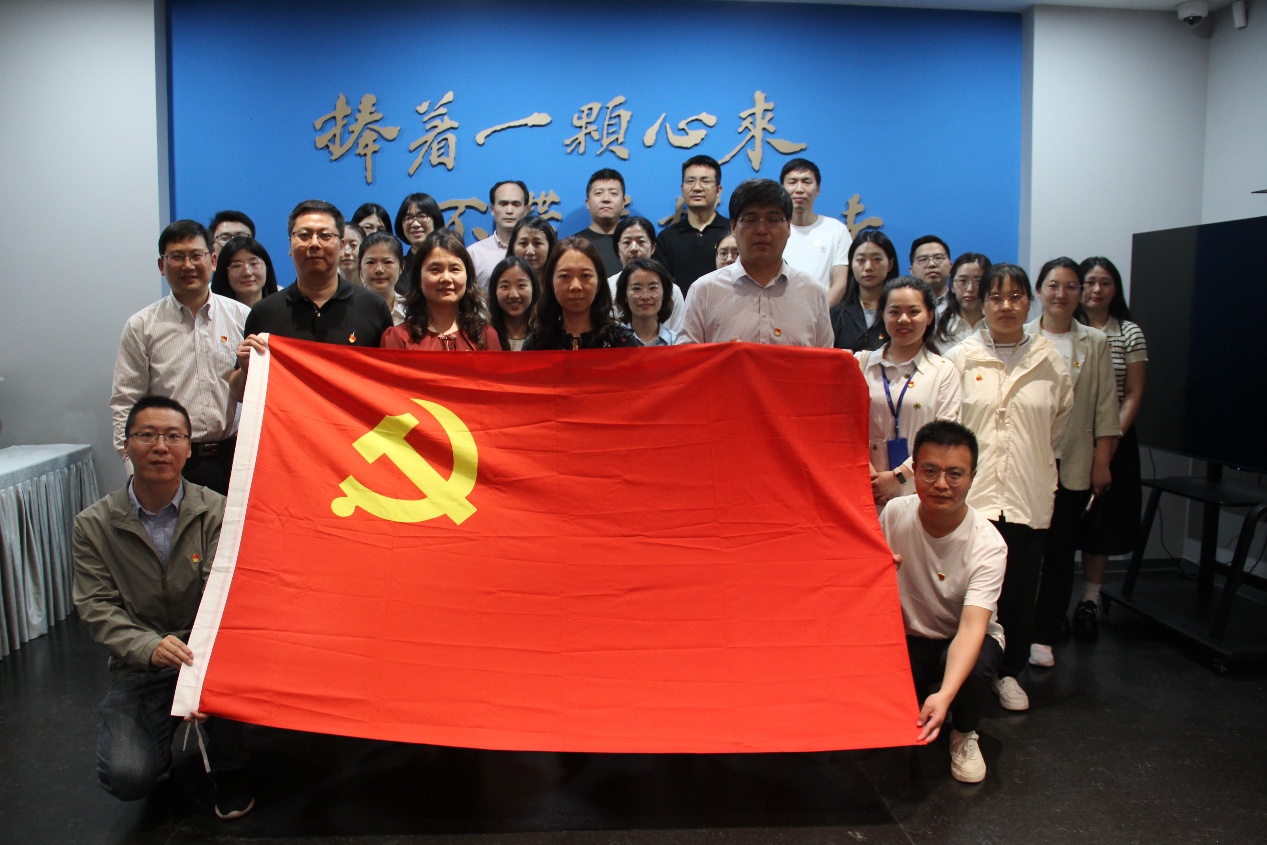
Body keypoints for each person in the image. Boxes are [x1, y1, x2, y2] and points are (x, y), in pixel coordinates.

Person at [73, 396, 253, 818]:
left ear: (189, 448)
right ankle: (159, 752)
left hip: (207, 659)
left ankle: (230, 768)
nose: (160, 447)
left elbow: (222, 592)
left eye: (174, 436)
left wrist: (201, 662)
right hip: (141, 666)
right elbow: (97, 606)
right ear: (126, 445)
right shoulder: (93, 525)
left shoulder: (218, 511)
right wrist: (148, 647)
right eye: (147, 435)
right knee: (128, 775)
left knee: (238, 693)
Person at [947, 263, 1073, 713]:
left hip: (1026, 492)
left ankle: (1007, 674)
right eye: (996, 297)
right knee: (968, 591)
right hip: (973, 498)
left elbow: (1056, 426)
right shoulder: (961, 358)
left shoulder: (1049, 360)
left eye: (1016, 297)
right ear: (981, 303)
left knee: (1018, 592)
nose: (1006, 306)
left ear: (1029, 303)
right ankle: (961, 675)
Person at [881, 420, 1007, 784]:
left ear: (972, 477)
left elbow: (971, 629)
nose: (940, 484)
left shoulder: (988, 544)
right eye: (930, 471)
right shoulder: (895, 513)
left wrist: (946, 695)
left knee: (977, 668)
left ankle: (964, 733)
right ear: (915, 471)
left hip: (961, 637)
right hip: (911, 636)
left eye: (954, 473)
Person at [1026, 258, 1120, 669]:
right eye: (1053, 285)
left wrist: (1103, 460)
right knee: (1022, 552)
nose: (1061, 294)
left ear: (1079, 293)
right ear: (1039, 291)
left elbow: (1106, 408)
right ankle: (1012, 629)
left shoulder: (1095, 342)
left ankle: (1044, 634)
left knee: (1061, 553)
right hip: (1029, 461)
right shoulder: (1022, 336)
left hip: (1074, 462)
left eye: (1070, 286)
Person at [111, 220, 251, 495]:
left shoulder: (242, 317)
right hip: (169, 460)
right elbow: (126, 402)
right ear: (162, 266)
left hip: (234, 457)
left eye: (196, 255)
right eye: (177, 257)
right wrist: (134, 467)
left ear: (213, 260)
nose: (188, 265)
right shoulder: (142, 326)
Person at [231, 200, 393, 400]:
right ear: (290, 245)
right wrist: (246, 368)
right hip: (288, 419)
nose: (314, 243)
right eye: (304, 235)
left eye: (325, 236)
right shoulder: (264, 312)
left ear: (342, 246)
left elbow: (391, 384)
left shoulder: (373, 308)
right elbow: (238, 394)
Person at [1076, 256, 1148, 640]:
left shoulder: (1128, 332)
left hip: (1115, 439)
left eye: (1104, 282)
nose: (1096, 289)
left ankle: (1090, 599)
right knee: (1063, 524)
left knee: (1100, 526)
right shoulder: (1065, 327)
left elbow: (1133, 393)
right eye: (1089, 282)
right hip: (1069, 439)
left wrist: (1110, 441)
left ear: (1115, 288)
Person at [675, 178, 832, 347]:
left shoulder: (813, 292)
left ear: (788, 227)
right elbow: (686, 359)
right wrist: (723, 356)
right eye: (750, 220)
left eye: (773, 220)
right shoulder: (704, 291)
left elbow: (825, 360)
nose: (762, 230)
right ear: (733, 227)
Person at [858, 277, 962, 510]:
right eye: (894, 312)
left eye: (914, 311)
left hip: (918, 493)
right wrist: (870, 474)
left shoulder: (943, 372)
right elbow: (843, 427)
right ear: (882, 314)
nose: (904, 319)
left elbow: (945, 437)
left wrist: (897, 477)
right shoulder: (861, 364)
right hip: (864, 489)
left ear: (930, 315)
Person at [380, 230, 499, 351]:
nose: (446, 278)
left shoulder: (485, 336)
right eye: (435, 269)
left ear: (468, 278)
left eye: (455, 269)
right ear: (418, 279)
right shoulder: (398, 338)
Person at [524, 236, 640, 350]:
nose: (575, 286)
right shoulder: (536, 344)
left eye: (585, 276)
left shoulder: (621, 342)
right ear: (551, 283)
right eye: (565, 276)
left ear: (598, 283)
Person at [654, 155, 729, 295]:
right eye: (690, 181)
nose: (697, 188)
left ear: (718, 190)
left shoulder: (732, 233)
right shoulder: (667, 238)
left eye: (705, 181)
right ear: (682, 189)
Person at [779, 158, 851, 305]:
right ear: (782, 189)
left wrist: (818, 313)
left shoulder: (836, 230)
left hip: (823, 313)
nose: (799, 189)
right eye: (792, 182)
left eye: (806, 182)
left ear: (817, 189)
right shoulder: (772, 230)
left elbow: (840, 284)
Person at [608, 216, 685, 332]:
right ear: (617, 249)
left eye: (641, 242)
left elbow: (679, 336)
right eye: (627, 242)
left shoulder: (672, 291)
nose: (634, 248)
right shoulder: (607, 288)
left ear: (653, 247)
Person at [830, 228, 898, 352]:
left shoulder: (900, 313)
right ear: (851, 264)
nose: (868, 267)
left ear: (890, 264)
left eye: (877, 259)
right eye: (861, 260)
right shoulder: (836, 314)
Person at [470, 180, 530, 286]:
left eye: (516, 204)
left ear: (526, 210)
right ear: (492, 209)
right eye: (503, 204)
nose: (509, 210)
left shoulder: (537, 252)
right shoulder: (475, 254)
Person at [569, 168, 625, 275]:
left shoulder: (635, 245)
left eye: (613, 193)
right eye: (598, 193)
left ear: (623, 202)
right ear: (587, 203)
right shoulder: (573, 245)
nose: (606, 199)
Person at [615, 257, 677, 346]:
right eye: (636, 288)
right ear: (625, 295)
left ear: (664, 293)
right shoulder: (614, 343)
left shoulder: (678, 342)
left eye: (653, 288)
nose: (645, 296)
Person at [394, 192, 446, 296]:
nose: (415, 224)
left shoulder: (448, 262)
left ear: (435, 220)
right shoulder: (397, 267)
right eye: (408, 218)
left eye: (422, 216)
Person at [935, 253, 991, 348]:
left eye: (978, 281)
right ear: (952, 286)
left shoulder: (999, 324)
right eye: (962, 281)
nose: (970, 289)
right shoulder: (935, 323)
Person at [209, 235, 279, 308]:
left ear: (267, 267)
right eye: (236, 266)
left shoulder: (281, 309)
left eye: (254, 263)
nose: (247, 272)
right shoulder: (214, 312)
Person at [487, 256, 538, 351]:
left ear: (534, 288)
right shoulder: (483, 335)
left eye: (521, 285)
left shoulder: (547, 334)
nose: (514, 295)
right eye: (504, 286)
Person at [358, 231, 406, 325]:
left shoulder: (411, 310)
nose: (379, 270)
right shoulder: (348, 309)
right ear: (360, 267)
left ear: (401, 267)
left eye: (387, 262)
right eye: (371, 262)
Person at [507, 216, 557, 283]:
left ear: (550, 246)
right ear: (512, 247)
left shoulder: (559, 285)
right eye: (523, 243)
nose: (530, 251)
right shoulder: (503, 284)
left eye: (537, 243)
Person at [910, 235, 953, 313]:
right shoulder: (903, 305)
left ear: (951, 266)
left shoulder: (962, 304)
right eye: (923, 259)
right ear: (912, 271)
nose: (931, 264)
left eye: (938, 258)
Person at [338, 221, 364, 286]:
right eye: (341, 245)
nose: (347, 252)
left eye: (353, 245)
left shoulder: (373, 286)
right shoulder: (324, 286)